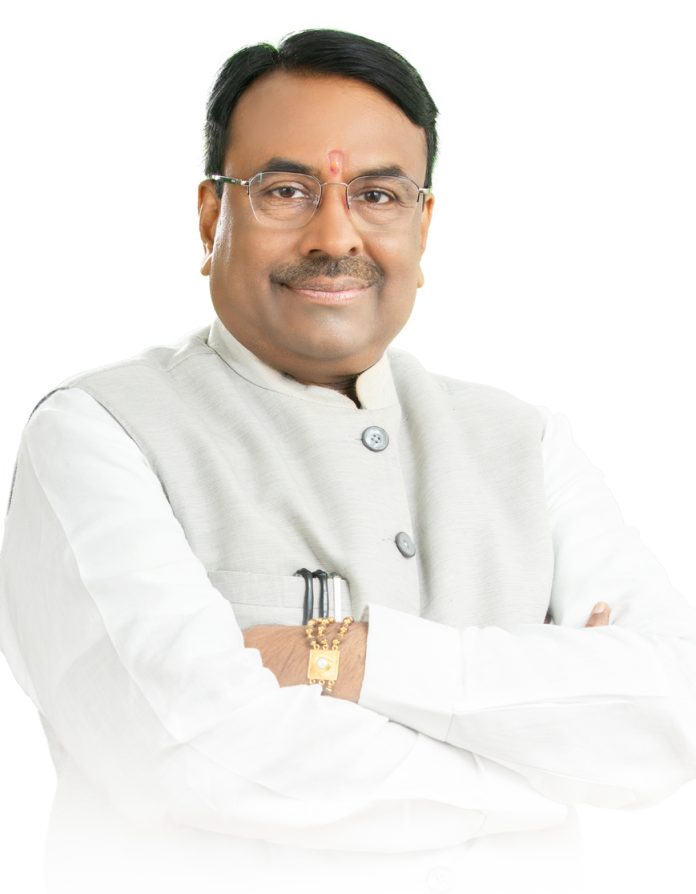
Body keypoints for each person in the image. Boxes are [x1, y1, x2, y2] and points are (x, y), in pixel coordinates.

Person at [1, 27, 695, 894]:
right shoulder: (99, 433)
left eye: (378, 194)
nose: (336, 234)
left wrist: (344, 657)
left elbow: (676, 708)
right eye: (285, 190)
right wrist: (544, 767)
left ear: (423, 225)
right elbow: (191, 756)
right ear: (212, 216)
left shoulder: (524, 442)